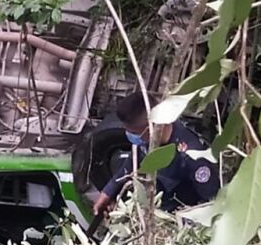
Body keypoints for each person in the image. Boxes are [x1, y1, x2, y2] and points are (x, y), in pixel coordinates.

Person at [93, 92, 221, 215]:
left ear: (150, 128)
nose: (130, 136)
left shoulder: (193, 156)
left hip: (182, 212)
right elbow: (132, 164)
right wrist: (107, 192)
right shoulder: (147, 140)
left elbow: (212, 202)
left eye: (134, 133)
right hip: (158, 203)